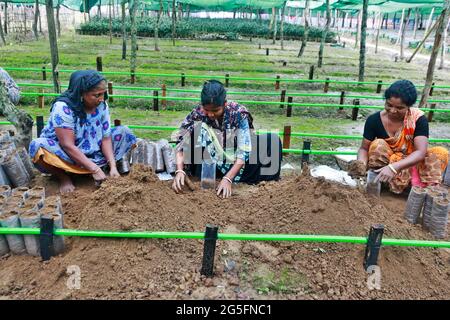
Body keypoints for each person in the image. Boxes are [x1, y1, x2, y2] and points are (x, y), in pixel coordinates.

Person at [28, 70, 136, 193]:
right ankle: (63, 177)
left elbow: (106, 138)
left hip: (95, 151)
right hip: (67, 155)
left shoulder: (102, 105)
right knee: (37, 147)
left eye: (103, 94)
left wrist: (113, 167)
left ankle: (103, 166)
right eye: (96, 95)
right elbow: (67, 145)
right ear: (81, 94)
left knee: (125, 132)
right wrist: (94, 169)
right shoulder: (63, 108)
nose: (101, 99)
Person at [172, 80, 282, 198]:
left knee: (272, 140)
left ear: (224, 104)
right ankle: (202, 175)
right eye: (206, 110)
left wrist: (228, 179)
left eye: (215, 111)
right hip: (209, 163)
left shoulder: (238, 113)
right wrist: (179, 170)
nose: (210, 114)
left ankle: (241, 178)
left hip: (235, 160)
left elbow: (243, 151)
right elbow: (181, 143)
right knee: (195, 132)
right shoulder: (197, 114)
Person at [350, 80, 448, 194]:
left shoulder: (418, 119)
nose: (392, 111)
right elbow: (364, 148)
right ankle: (382, 183)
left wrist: (394, 167)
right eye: (389, 105)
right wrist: (360, 166)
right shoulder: (374, 120)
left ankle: (417, 189)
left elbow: (421, 152)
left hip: (411, 163)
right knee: (377, 145)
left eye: (400, 108)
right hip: (387, 164)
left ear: (409, 107)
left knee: (440, 153)